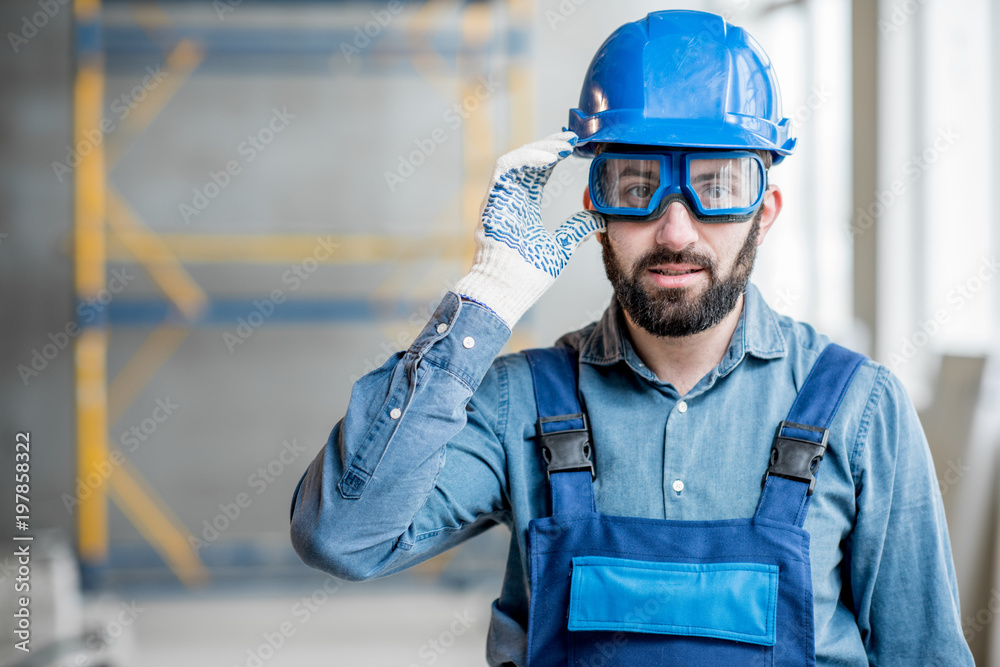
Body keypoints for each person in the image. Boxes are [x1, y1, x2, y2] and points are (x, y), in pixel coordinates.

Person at [291, 10, 973, 666]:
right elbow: (341, 536)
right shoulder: (518, 403)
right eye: (637, 185)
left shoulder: (860, 411)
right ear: (595, 204)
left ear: (764, 211)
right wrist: (483, 300)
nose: (676, 232)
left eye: (717, 186)